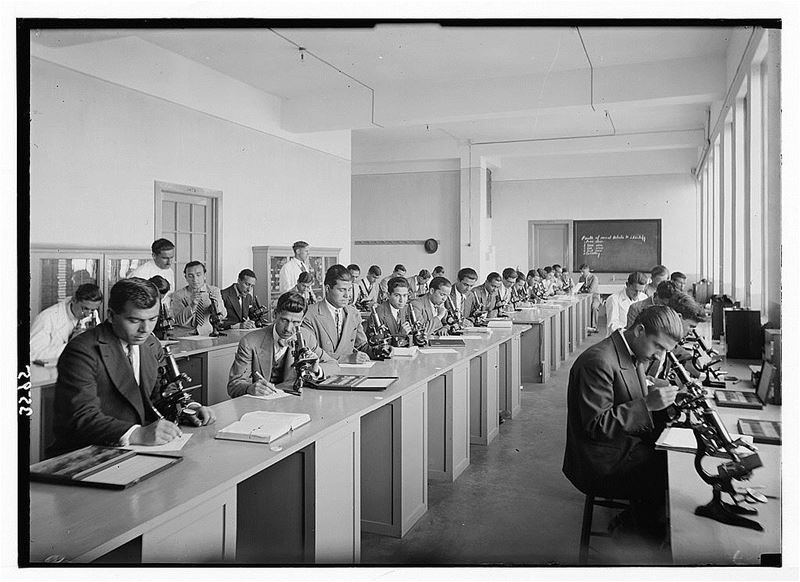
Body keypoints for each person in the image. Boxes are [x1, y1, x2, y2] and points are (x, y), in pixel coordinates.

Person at [51, 278, 215, 456]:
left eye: (152, 319)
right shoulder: (82, 350)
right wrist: (137, 433)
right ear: (111, 315)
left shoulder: (151, 344)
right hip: (88, 454)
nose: (145, 329)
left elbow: (161, 395)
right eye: (135, 320)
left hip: (138, 450)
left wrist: (189, 409)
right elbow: (82, 417)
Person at [562, 305, 684, 537]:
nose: (659, 356)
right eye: (658, 346)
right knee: (670, 469)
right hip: (599, 462)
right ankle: (643, 534)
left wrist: (665, 391)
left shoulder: (630, 351)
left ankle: (637, 518)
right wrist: (648, 405)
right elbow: (596, 426)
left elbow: (631, 385)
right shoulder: (598, 362)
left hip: (618, 445)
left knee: (670, 454)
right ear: (639, 330)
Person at [227, 292, 337, 398]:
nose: (288, 329)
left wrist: (317, 369)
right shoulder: (250, 342)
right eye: (284, 320)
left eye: (296, 323)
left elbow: (334, 365)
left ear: (302, 320)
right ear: (275, 314)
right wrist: (249, 388)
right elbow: (234, 386)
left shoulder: (306, 337)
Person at [302, 264, 379, 363]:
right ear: (328, 289)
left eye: (349, 290)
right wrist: (346, 359)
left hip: (351, 374)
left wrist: (377, 351)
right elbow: (310, 352)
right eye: (341, 290)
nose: (347, 296)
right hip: (322, 373)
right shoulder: (309, 314)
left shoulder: (353, 313)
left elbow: (361, 346)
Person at [30, 284, 103, 362]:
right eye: (85, 308)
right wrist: (73, 344)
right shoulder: (47, 318)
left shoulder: (93, 314)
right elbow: (32, 354)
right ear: (74, 300)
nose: (87, 314)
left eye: (92, 310)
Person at [171, 261, 227, 336]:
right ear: (186, 277)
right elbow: (179, 321)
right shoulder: (178, 295)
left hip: (208, 333)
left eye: (198, 275)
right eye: (190, 276)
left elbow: (223, 315)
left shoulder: (214, 291)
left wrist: (216, 306)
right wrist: (192, 306)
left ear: (204, 276)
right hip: (185, 335)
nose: (195, 279)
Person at [130, 239, 176, 305]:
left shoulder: (170, 271)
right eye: (165, 258)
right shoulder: (139, 274)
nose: (169, 262)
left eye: (171, 257)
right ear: (154, 256)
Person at [373, 276, 414, 345]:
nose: (402, 300)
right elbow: (379, 345)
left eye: (405, 295)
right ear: (388, 295)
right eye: (397, 295)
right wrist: (400, 335)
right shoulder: (378, 313)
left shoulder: (404, 309)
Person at [578, 264, 601, 333]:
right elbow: (579, 287)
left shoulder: (594, 278)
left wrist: (582, 290)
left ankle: (594, 327)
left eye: (583, 272)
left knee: (594, 307)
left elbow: (591, 290)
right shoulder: (581, 278)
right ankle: (584, 326)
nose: (582, 274)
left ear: (588, 270)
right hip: (584, 297)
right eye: (581, 272)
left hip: (595, 297)